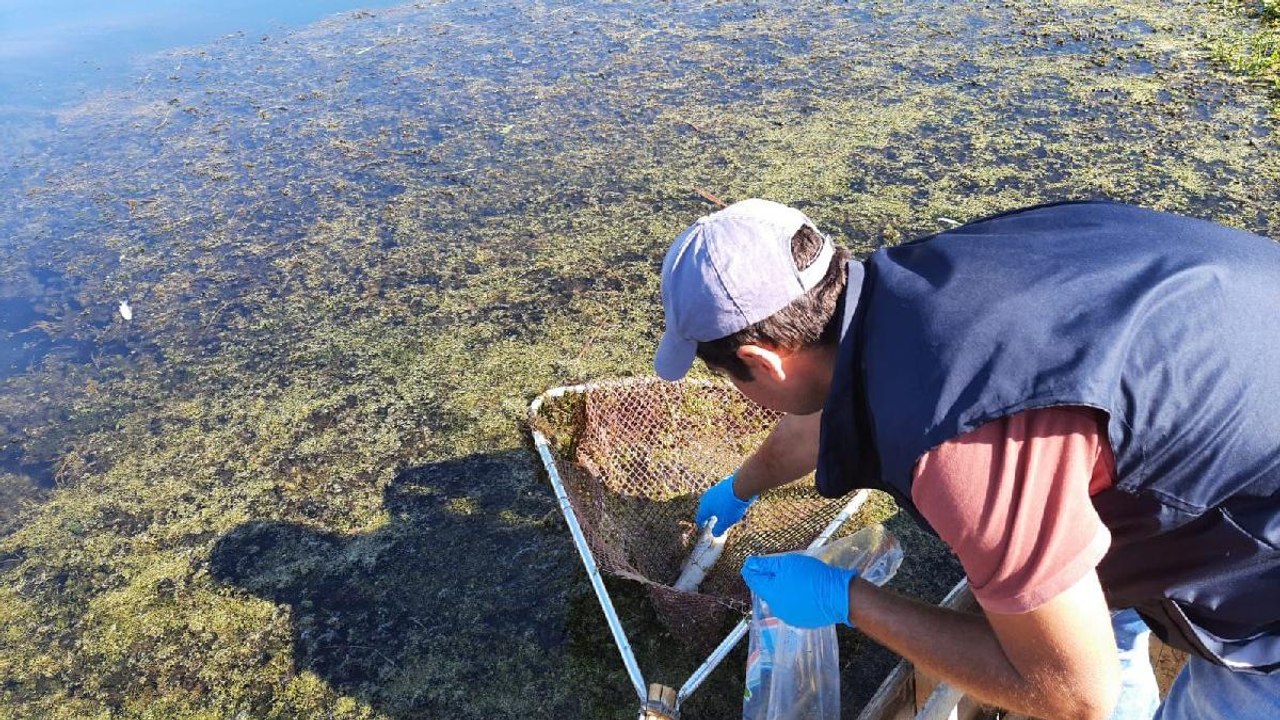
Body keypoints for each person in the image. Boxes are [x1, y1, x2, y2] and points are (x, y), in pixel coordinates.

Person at [653, 198, 1280, 720]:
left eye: (732, 376)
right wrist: (741, 488)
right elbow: (822, 415)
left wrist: (850, 600)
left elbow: (1074, 694)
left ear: (764, 362)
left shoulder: (957, 440)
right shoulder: (913, 288)